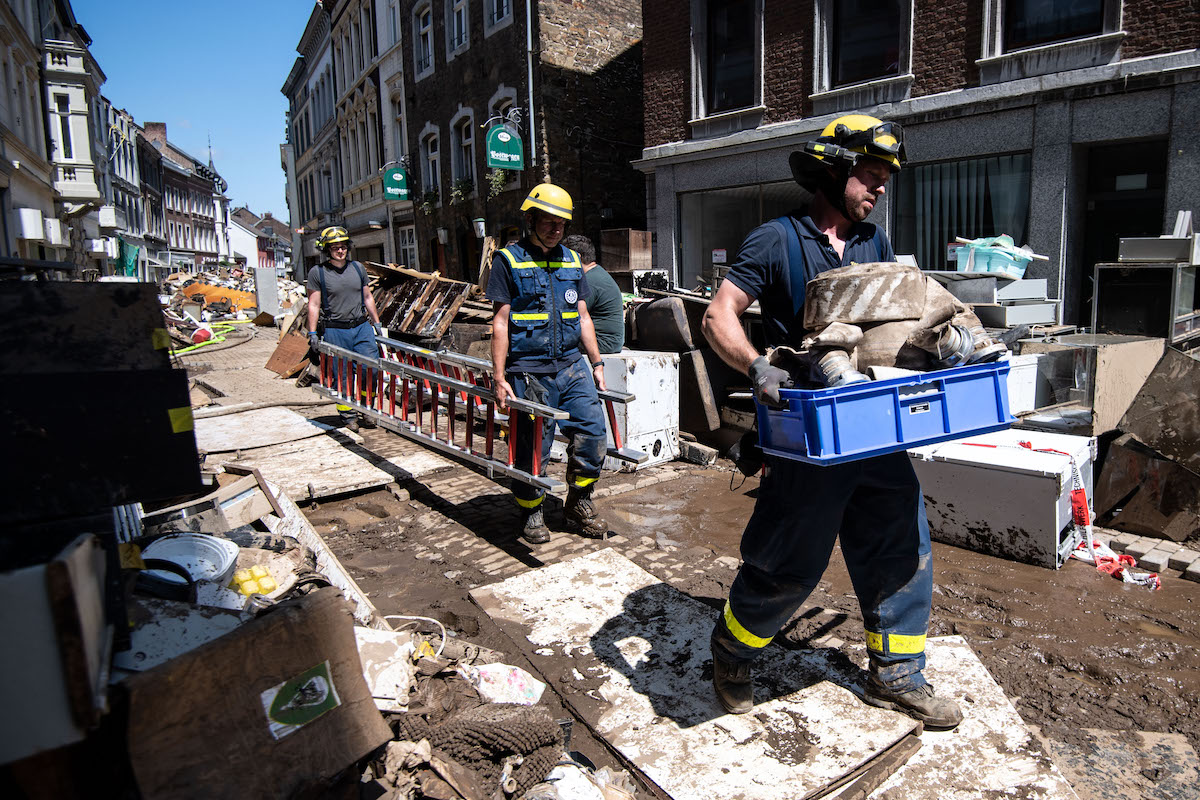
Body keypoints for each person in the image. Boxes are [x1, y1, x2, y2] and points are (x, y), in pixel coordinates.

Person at [700, 114, 963, 731]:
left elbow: (890, 332)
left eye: (883, 180)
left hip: (872, 424)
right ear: (835, 170)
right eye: (870, 176)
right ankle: (733, 653)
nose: (878, 189)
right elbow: (719, 317)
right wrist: (760, 366)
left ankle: (896, 676)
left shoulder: (875, 245)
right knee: (791, 558)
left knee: (900, 545)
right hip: (809, 432)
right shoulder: (776, 239)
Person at [487, 184, 611, 545]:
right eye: (548, 221)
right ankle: (531, 510)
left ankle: (578, 502)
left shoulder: (573, 261)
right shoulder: (508, 260)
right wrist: (499, 377)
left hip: (573, 366)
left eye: (561, 224)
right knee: (533, 445)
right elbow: (499, 322)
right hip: (529, 368)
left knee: (593, 433)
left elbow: (583, 316)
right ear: (531, 219)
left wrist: (598, 363)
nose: (555, 229)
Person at [306, 226, 383, 433]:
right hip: (335, 330)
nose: (340, 251)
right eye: (335, 248)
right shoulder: (318, 273)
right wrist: (312, 333)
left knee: (371, 369)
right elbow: (313, 304)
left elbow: (368, 297)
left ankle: (367, 409)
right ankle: (348, 415)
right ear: (327, 250)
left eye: (343, 247)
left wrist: (377, 324)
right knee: (341, 375)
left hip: (361, 327)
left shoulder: (357, 268)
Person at [562, 234, 624, 354]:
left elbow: (571, 316)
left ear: (577, 258)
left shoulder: (589, 281)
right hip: (607, 342)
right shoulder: (596, 273)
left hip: (602, 343)